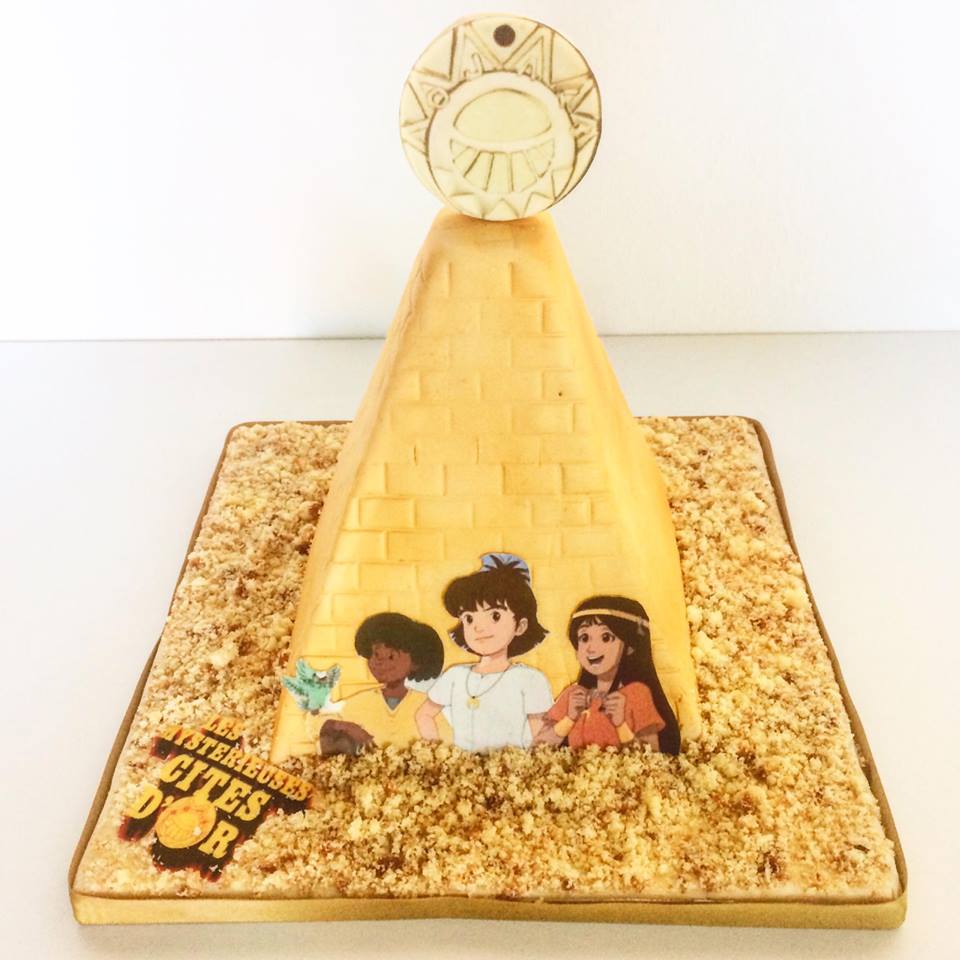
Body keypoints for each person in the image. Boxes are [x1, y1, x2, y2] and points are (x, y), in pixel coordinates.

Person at [415, 553, 553, 751]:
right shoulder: (455, 676)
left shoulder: (529, 679)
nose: (478, 627)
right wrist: (440, 755)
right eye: (469, 618)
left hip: (510, 766)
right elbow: (424, 715)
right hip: (464, 767)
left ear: (520, 626)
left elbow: (540, 735)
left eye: (495, 616)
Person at [535, 595, 680, 754]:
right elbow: (536, 749)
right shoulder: (573, 695)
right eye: (584, 638)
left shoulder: (637, 695)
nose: (591, 648)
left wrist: (621, 725)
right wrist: (569, 718)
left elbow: (652, 755)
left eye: (606, 637)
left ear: (630, 646)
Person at [320, 612, 447, 756]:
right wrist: (346, 727)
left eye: (391, 656)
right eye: (376, 655)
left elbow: (446, 741)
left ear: (416, 662)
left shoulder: (427, 705)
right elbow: (318, 723)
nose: (380, 662)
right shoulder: (359, 702)